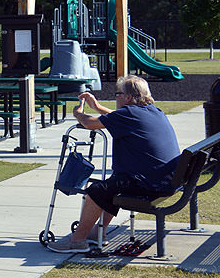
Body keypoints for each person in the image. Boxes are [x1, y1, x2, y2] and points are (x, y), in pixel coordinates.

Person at [47, 75, 181, 253]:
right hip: (166, 181)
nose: (115, 97)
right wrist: (97, 107)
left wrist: (78, 113)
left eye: (118, 93)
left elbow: (89, 123)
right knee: (115, 183)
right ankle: (96, 233)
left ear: (129, 97)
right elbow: (118, 117)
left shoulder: (130, 114)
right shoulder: (153, 111)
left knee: (95, 191)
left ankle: (77, 241)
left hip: (151, 185)